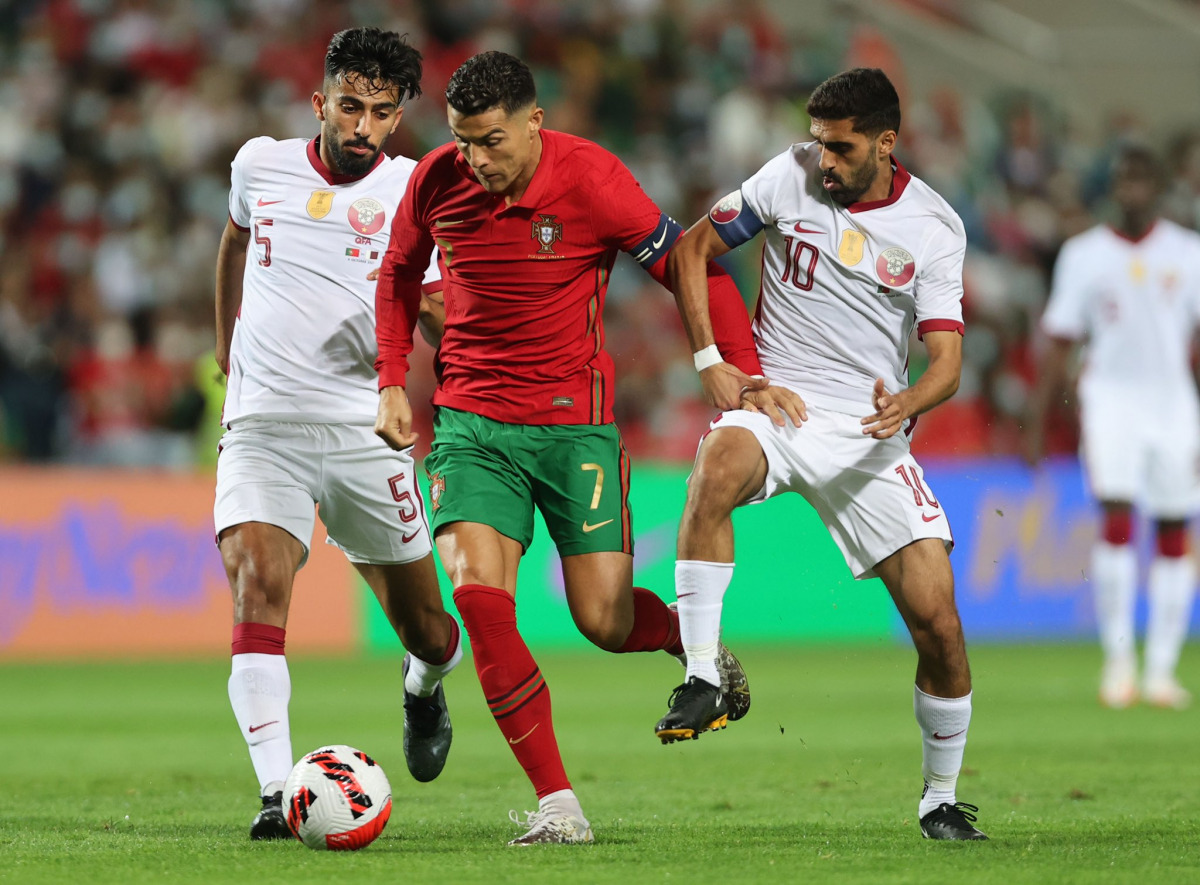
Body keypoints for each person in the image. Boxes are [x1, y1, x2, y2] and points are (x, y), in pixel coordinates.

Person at [373, 50, 770, 845]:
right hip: (471, 425)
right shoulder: (437, 180)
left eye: (491, 141)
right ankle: (559, 803)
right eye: (462, 140)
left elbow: (691, 266)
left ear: (534, 123)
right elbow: (397, 275)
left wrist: (737, 368)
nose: (474, 159)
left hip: (573, 429)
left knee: (603, 618)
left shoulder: (592, 179)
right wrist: (390, 380)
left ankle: (687, 642)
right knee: (480, 601)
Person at [656, 67, 987, 841]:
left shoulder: (934, 227)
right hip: (780, 404)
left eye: (841, 148)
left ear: (886, 142)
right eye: (818, 144)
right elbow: (691, 249)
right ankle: (702, 674)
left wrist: (910, 401)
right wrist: (711, 361)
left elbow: (946, 362)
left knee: (940, 623)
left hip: (870, 432)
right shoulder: (789, 174)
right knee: (715, 467)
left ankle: (940, 797)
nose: (825, 161)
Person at [213, 27, 462, 841]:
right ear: (320, 101)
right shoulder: (260, 165)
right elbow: (235, 238)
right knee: (258, 582)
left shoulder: (413, 189)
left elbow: (435, 307)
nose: (362, 126)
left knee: (432, 632)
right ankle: (275, 791)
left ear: (397, 118)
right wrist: (225, 342)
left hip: (366, 431)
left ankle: (423, 687)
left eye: (380, 113)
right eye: (349, 106)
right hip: (264, 424)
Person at [1024, 144, 1200, 711]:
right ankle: (1119, 663)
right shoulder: (1084, 255)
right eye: (1124, 181)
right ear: (1113, 189)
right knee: (1118, 519)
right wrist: (1037, 422)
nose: (1133, 191)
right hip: (1111, 401)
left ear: (1159, 189)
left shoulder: (1189, 252)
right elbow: (1060, 341)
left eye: (1142, 181)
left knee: (1174, 529)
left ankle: (1162, 670)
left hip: (1174, 403)